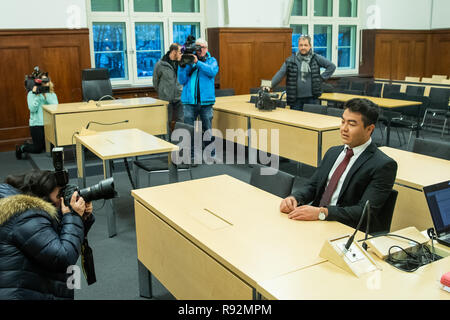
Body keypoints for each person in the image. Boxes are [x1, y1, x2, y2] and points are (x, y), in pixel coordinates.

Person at [280, 98, 398, 232]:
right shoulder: (333, 152)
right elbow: (313, 186)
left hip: (345, 228)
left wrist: (321, 213)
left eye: (352, 124)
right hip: (315, 221)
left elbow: (364, 211)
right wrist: (295, 198)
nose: (344, 129)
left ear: (369, 129)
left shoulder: (383, 165)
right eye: (343, 122)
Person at [0, 170, 94, 300]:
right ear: (43, 194)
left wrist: (82, 217)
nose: (62, 200)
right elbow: (63, 257)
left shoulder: (22, 206)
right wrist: (73, 216)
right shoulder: (25, 217)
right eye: (59, 195)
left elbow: (56, 236)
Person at [178, 38, 219, 161]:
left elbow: (212, 72)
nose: (199, 50)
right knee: (188, 129)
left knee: (207, 129)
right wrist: (183, 66)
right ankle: (189, 155)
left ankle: (211, 154)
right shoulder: (189, 61)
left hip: (206, 102)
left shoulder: (212, 60)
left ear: (206, 48)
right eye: (197, 47)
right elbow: (182, 80)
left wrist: (197, 63)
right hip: (189, 102)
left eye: (202, 47)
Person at [271, 35, 335, 111]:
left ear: (310, 46)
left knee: (311, 121)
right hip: (295, 99)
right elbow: (280, 73)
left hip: (312, 98)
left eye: (305, 45)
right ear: (298, 46)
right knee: (296, 120)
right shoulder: (291, 60)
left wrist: (321, 78)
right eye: (301, 45)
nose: (303, 47)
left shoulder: (316, 58)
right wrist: (269, 86)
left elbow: (331, 66)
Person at [16, 73, 58, 159]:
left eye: (46, 81)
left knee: (52, 148)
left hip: (49, 124)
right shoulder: (31, 94)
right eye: (42, 82)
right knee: (37, 149)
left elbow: (55, 108)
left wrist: (45, 94)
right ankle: (22, 148)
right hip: (36, 125)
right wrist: (38, 96)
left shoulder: (52, 94)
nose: (44, 83)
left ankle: (38, 144)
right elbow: (32, 109)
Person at [153, 43, 184, 132]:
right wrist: (163, 92)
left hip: (180, 97)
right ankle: (167, 141)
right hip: (166, 98)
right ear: (174, 52)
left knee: (181, 121)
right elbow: (155, 81)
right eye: (180, 52)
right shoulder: (160, 64)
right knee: (166, 122)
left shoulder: (182, 64)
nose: (181, 54)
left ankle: (181, 143)